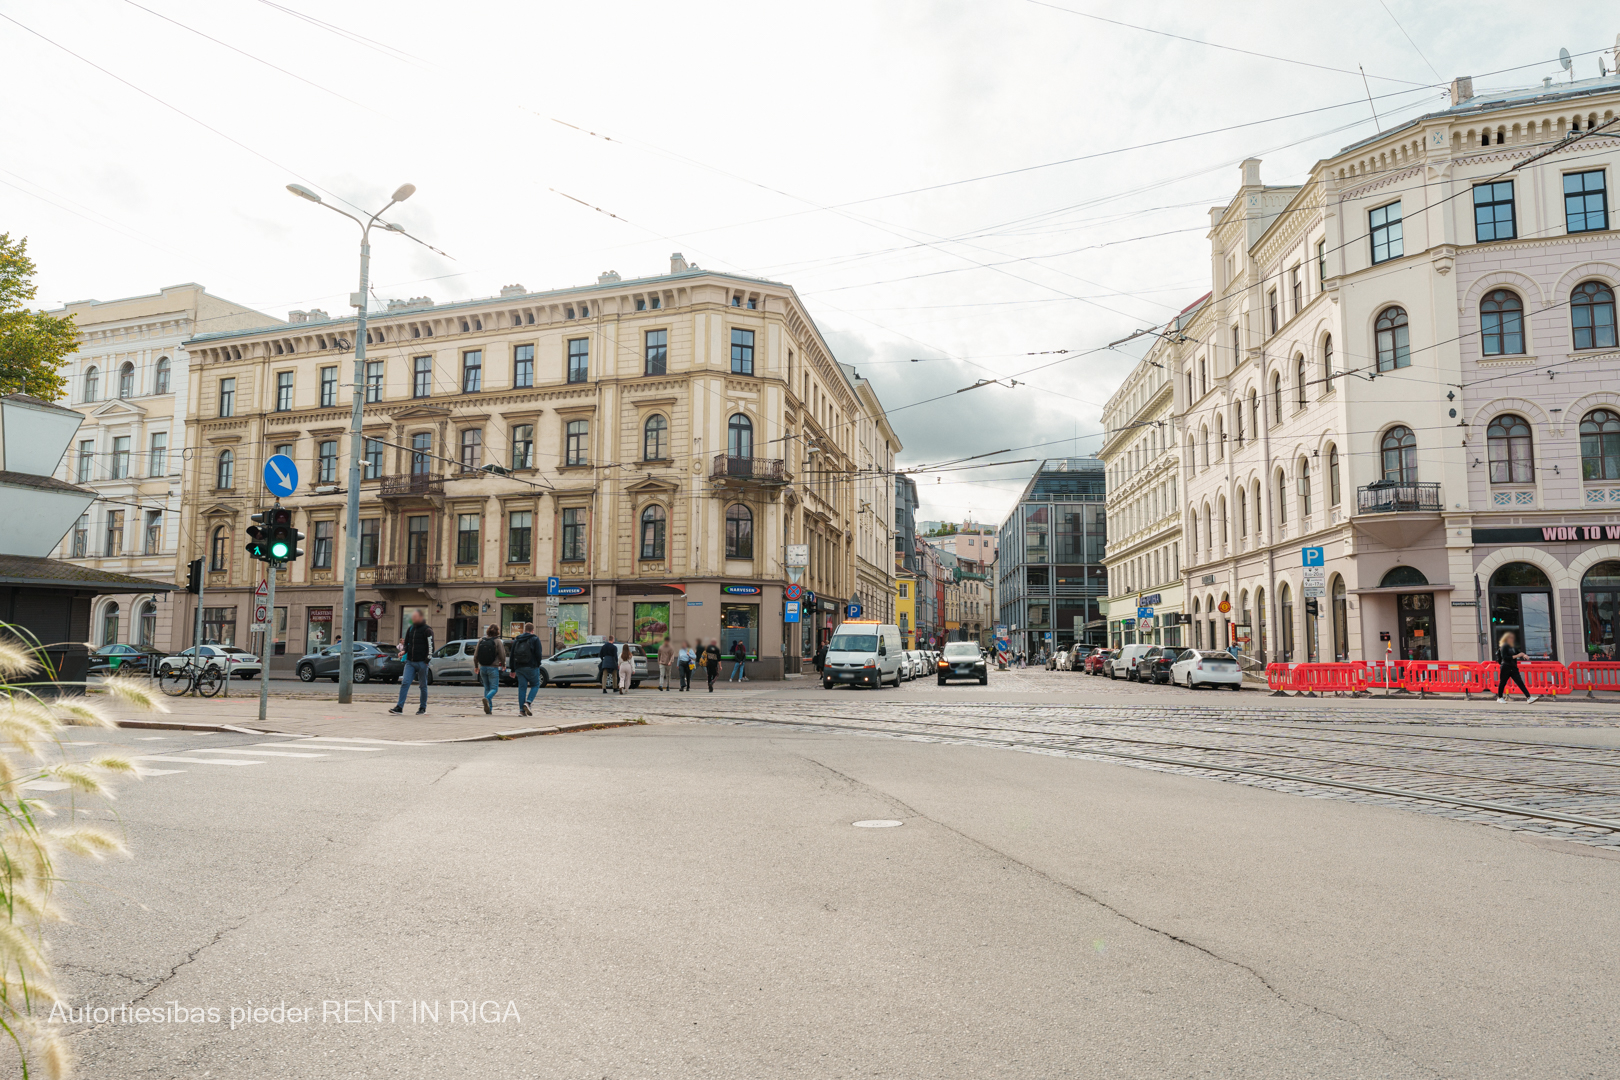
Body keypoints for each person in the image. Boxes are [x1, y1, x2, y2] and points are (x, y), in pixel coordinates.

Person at [389, 610, 433, 715]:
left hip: (422, 662)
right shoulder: (411, 629)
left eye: (415, 617)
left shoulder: (427, 630)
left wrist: (427, 661)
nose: (413, 619)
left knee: (423, 686)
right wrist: (404, 651)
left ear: (421, 617)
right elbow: (407, 644)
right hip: (410, 662)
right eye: (412, 617)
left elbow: (431, 647)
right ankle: (399, 707)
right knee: (405, 683)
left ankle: (422, 708)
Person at [509, 622, 543, 717]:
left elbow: (512, 655)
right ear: (532, 630)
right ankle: (528, 703)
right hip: (532, 666)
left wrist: (512, 669)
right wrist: (538, 664)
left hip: (519, 667)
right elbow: (538, 654)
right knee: (536, 685)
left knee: (522, 688)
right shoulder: (535, 639)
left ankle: (521, 711)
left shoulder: (517, 640)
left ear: (524, 630)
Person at [1495, 631, 1539, 704]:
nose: (1512, 639)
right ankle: (1500, 697)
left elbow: (1519, 653)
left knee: (1520, 682)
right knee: (1503, 682)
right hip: (1505, 666)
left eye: (1513, 638)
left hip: (1513, 667)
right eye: (1510, 638)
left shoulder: (1513, 647)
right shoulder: (1504, 646)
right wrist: (1517, 656)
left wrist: (1523, 655)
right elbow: (1505, 657)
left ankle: (1529, 697)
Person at [474, 624, 506, 715]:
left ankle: (489, 709)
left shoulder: (481, 640)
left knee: (487, 687)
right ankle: (487, 699)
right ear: (497, 632)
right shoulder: (497, 641)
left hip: (483, 667)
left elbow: (476, 655)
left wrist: (476, 666)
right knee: (494, 688)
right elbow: (502, 654)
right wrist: (503, 664)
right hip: (493, 667)